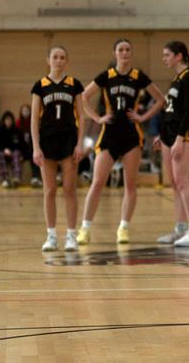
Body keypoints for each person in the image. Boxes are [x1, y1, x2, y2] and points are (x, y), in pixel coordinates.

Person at [76, 38, 165, 246]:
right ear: (115, 53)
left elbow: (161, 99)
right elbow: (83, 97)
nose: (124, 53)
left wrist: (143, 117)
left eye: (127, 50)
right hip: (109, 134)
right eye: (121, 50)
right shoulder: (106, 76)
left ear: (130, 53)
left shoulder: (138, 76)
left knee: (130, 185)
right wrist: (97, 118)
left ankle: (124, 227)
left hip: (131, 136)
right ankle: (85, 228)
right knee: (97, 182)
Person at [31, 46, 86, 252]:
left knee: (70, 190)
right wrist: (36, 147)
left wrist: (80, 143)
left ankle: (71, 235)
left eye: (62, 57)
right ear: (48, 60)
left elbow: (82, 116)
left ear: (66, 61)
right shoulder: (40, 86)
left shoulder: (74, 84)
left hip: (69, 141)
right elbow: (34, 120)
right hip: (46, 142)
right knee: (50, 190)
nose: (59, 60)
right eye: (55, 57)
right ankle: (51, 235)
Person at [156, 41, 189, 247]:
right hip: (169, 135)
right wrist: (162, 134)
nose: (164, 58)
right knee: (175, 184)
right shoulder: (176, 79)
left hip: (182, 136)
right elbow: (171, 111)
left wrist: (178, 137)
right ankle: (181, 229)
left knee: (182, 182)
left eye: (167, 55)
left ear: (179, 55)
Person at [16, 104, 42, 187]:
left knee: (35, 155)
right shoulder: (18, 123)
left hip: (32, 148)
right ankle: (16, 178)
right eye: (23, 111)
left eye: (27, 110)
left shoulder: (34, 122)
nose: (25, 112)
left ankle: (36, 178)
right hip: (22, 149)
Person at [0, 111, 23, 188]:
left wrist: (22, 154)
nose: (8, 121)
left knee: (16, 153)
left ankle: (16, 178)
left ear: (12, 120)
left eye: (10, 120)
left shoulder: (17, 131)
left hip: (14, 153)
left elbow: (21, 145)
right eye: (6, 120)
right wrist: (4, 150)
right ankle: (5, 180)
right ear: (4, 121)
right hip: (3, 153)